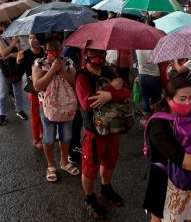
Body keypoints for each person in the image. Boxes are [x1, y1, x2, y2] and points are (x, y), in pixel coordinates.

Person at [143, 76, 191, 222]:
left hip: (189, 182)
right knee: (160, 217)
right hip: (164, 184)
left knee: (189, 217)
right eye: (182, 99)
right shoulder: (158, 124)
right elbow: (180, 159)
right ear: (169, 100)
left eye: (190, 97)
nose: (188, 102)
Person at [76, 48, 129, 219]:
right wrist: (110, 88)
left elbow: (126, 91)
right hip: (94, 132)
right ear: (87, 57)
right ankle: (89, 198)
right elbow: (86, 103)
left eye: (102, 55)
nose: (99, 60)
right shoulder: (82, 76)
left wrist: (109, 95)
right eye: (94, 56)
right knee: (90, 167)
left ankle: (106, 189)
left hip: (113, 127)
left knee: (110, 160)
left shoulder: (109, 70)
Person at [32, 36, 79, 183]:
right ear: (45, 49)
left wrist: (60, 70)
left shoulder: (68, 62)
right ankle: (51, 165)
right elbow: (38, 86)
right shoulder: (39, 63)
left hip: (67, 105)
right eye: (51, 48)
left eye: (58, 48)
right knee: (49, 137)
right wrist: (52, 69)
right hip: (48, 107)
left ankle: (64, 161)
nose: (55, 51)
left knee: (66, 136)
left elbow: (75, 81)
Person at [16, 34, 45, 149]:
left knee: (45, 114)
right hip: (33, 90)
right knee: (36, 115)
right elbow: (19, 73)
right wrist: (18, 61)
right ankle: (36, 139)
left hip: (46, 87)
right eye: (30, 37)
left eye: (35, 37)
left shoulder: (45, 51)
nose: (32, 40)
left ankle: (44, 134)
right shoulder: (25, 54)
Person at [0, 27, 27, 125]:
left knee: (18, 91)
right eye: (6, 26)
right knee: (3, 93)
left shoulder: (17, 38)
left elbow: (22, 53)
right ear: (3, 28)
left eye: (10, 25)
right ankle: (2, 114)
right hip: (4, 70)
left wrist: (12, 54)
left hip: (16, 68)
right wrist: (14, 43)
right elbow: (3, 53)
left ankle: (19, 110)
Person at [136, 49, 163, 124]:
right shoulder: (155, 47)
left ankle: (147, 120)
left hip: (142, 74)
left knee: (145, 99)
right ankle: (156, 120)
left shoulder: (138, 47)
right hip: (155, 75)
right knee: (156, 99)